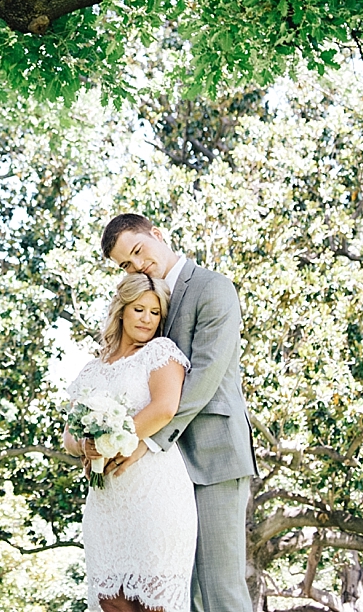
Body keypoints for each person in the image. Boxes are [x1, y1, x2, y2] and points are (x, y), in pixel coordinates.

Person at [101, 213, 256, 612]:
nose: (137, 266)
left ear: (157, 234)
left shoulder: (213, 288)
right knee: (176, 595)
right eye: (126, 265)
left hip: (214, 457)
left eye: (138, 251)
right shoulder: (145, 303)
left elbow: (204, 378)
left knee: (220, 590)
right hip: (164, 473)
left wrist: (144, 438)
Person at [64, 273, 196, 612]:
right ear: (121, 310)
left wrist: (111, 441)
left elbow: (164, 408)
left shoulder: (160, 352)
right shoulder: (93, 369)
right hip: (106, 502)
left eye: (155, 313)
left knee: (154, 605)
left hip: (155, 495)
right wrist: (86, 446)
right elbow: (70, 434)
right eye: (139, 309)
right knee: (112, 603)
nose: (147, 320)